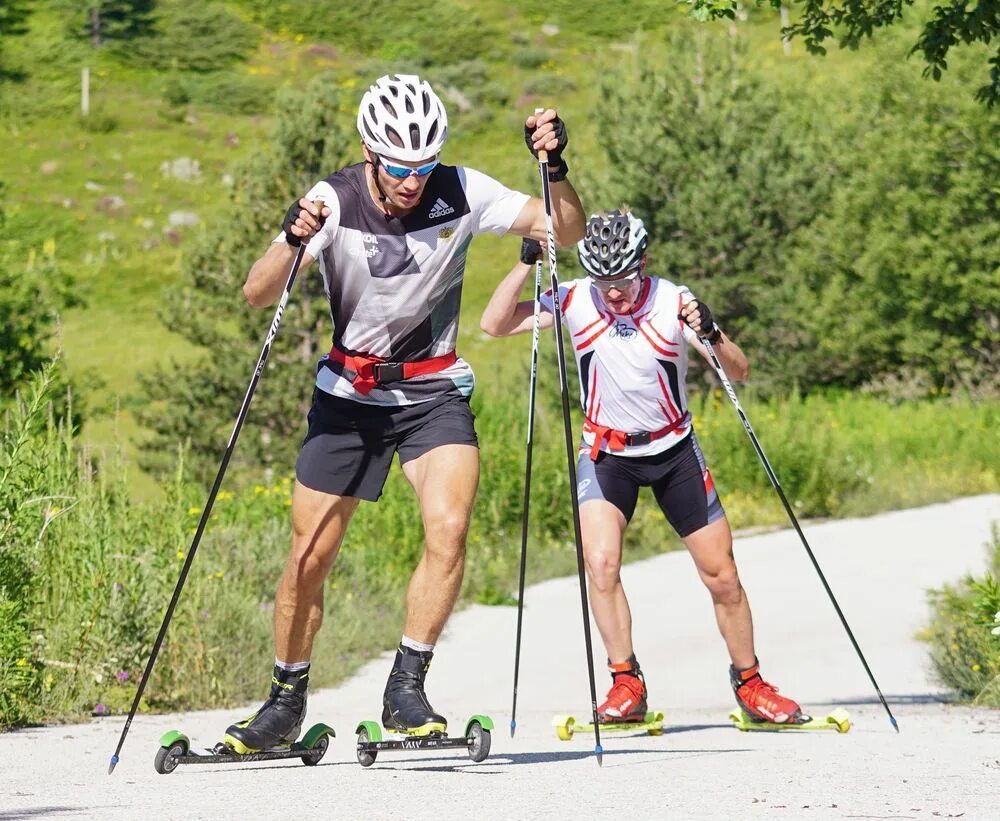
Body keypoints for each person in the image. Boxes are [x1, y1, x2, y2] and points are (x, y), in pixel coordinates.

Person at [222, 74, 586, 753]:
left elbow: (566, 231)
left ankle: (406, 688)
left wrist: (556, 168)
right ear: (370, 151)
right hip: (349, 395)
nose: (413, 180)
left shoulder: (462, 190)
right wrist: (290, 237)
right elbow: (256, 292)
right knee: (308, 556)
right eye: (398, 166)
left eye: (424, 164)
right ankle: (284, 701)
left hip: (432, 389)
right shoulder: (335, 199)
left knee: (449, 527)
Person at [480, 209, 806, 725]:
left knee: (722, 576)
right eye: (603, 281)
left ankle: (751, 683)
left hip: (673, 451)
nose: (614, 293)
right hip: (606, 456)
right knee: (600, 564)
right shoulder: (575, 298)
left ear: (644, 265)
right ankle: (626, 682)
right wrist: (525, 263)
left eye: (625, 280)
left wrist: (713, 332)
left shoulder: (674, 301)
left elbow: (739, 370)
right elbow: (493, 325)